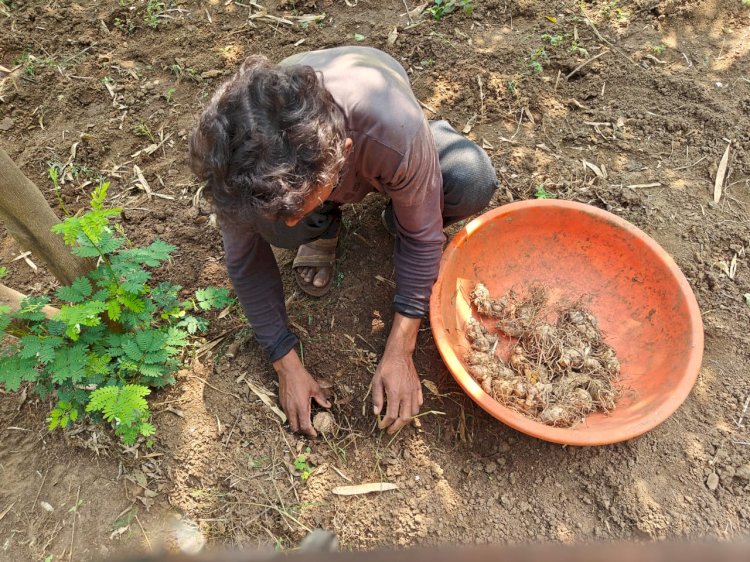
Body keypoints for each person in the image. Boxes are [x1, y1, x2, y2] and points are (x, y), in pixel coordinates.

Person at [189, 46, 498, 437]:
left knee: (470, 179)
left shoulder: (392, 130)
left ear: (342, 158)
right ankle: (323, 223)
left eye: (303, 203)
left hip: (379, 136)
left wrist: (401, 350)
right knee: (278, 226)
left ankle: (397, 206)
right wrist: (286, 363)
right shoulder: (237, 161)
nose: (289, 217)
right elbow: (245, 260)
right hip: (308, 168)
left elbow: (423, 239)